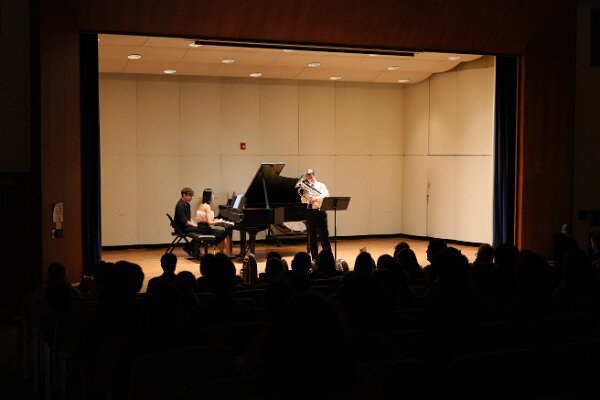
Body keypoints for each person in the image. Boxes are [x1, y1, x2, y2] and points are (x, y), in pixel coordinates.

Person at [298, 169, 331, 259]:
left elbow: (326, 195)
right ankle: (314, 258)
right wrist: (305, 195)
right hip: (310, 212)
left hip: (320, 212)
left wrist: (316, 199)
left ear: (314, 175)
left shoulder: (321, 185)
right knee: (312, 236)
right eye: (308, 178)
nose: (310, 179)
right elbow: (303, 201)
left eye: (311, 177)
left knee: (324, 236)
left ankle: (328, 256)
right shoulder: (306, 187)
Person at [196, 188, 231, 255]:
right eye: (212, 194)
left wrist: (215, 220)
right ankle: (228, 254)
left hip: (201, 229)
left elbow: (205, 219)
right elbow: (209, 222)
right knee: (225, 234)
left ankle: (222, 253)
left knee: (222, 233)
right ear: (209, 196)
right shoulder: (207, 207)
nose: (213, 196)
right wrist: (219, 221)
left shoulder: (201, 205)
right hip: (205, 231)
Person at [174, 187, 204, 256]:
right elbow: (185, 222)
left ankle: (190, 248)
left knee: (201, 229)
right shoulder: (180, 205)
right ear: (184, 195)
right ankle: (193, 250)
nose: (191, 197)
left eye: (192, 196)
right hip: (181, 228)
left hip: (185, 227)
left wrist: (195, 225)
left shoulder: (187, 204)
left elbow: (189, 219)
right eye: (190, 195)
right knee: (201, 230)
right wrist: (195, 226)